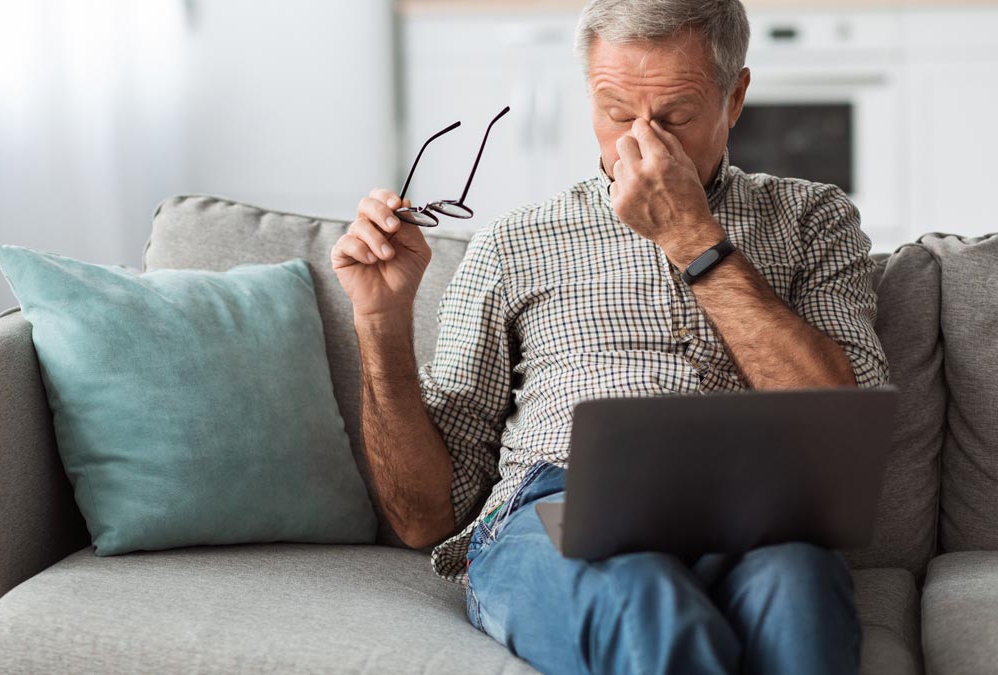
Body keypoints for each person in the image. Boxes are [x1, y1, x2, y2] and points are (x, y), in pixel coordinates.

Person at [329, 1, 888, 673]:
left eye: (675, 116)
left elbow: (839, 429)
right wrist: (381, 323)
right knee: (647, 605)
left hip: (753, 517)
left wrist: (694, 239)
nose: (639, 144)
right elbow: (424, 519)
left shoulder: (810, 218)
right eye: (617, 112)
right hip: (556, 508)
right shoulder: (515, 243)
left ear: (734, 96)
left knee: (800, 594)